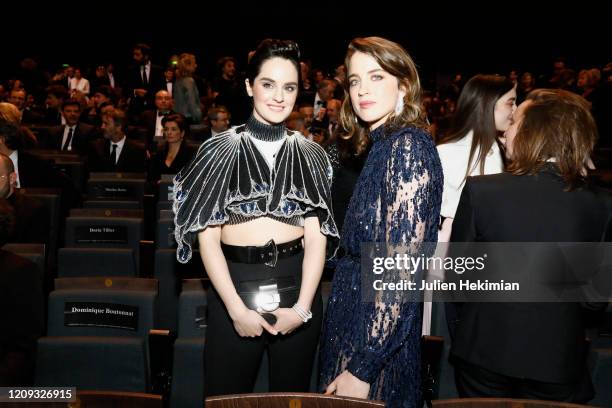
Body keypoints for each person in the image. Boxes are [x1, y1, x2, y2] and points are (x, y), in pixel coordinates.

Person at [173, 39, 339, 396]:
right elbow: (208, 240)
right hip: (233, 289)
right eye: (268, 84)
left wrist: (302, 309)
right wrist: (236, 310)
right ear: (249, 86)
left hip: (298, 288)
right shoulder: (218, 151)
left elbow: (316, 237)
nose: (279, 96)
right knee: (225, 399)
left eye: (289, 87)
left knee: (292, 400)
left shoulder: (312, 154)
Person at [449, 89, 612, 403]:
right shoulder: (602, 205)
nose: (506, 130)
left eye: (514, 122)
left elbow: (459, 282)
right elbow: (594, 302)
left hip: (484, 353)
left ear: (533, 132)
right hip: (556, 361)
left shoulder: (483, 192)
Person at [319, 37, 443, 407]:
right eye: (355, 81)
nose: (362, 90)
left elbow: (402, 272)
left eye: (376, 77)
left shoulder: (407, 148)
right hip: (354, 310)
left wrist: (364, 367)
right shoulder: (384, 146)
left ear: (404, 85)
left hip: (371, 330)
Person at [436, 75, 516, 241]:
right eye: (510, 102)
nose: (516, 109)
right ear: (487, 104)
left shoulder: (504, 149)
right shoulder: (445, 154)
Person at [147, 113, 195, 183]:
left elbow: (194, 179)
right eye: (166, 129)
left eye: (173, 129)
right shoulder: (158, 153)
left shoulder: (191, 154)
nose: (169, 132)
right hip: (160, 192)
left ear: (182, 133)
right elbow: (151, 178)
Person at [173, 53, 202, 125]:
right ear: (188, 65)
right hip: (189, 118)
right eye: (194, 63)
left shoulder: (178, 80)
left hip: (179, 117)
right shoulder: (189, 81)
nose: (196, 65)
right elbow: (192, 103)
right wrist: (199, 118)